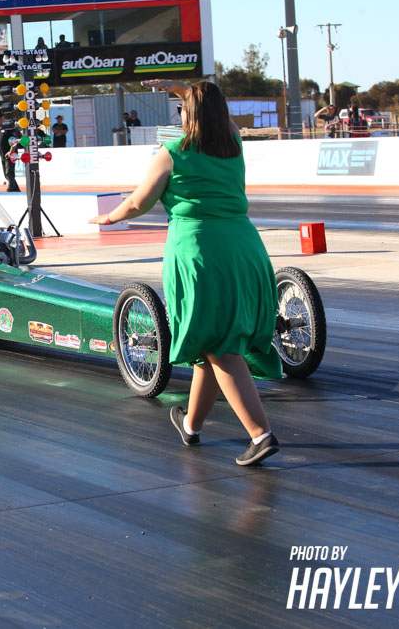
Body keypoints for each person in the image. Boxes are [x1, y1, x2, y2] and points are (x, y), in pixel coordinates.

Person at [89, 79, 282, 466]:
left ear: (187, 115)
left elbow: (138, 203)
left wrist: (107, 217)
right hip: (245, 248)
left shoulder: (172, 152)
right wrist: (184, 90)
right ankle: (191, 425)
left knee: (220, 347)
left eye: (182, 108)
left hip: (200, 254)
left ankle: (260, 434)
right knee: (209, 342)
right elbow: (217, 116)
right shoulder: (233, 143)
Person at [0, 110, 20, 192]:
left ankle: (11, 188)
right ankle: (15, 189)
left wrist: (11, 151)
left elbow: (15, 139)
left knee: (9, 172)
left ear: (2, 118)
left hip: (11, 153)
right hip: (3, 154)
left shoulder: (10, 127)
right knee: (6, 174)